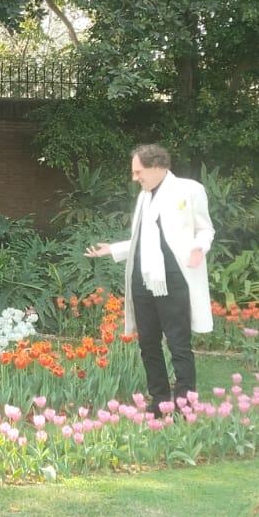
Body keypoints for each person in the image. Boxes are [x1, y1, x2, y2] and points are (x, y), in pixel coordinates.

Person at [85, 143, 214, 413]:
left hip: (174, 278)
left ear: (156, 167)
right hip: (142, 278)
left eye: (138, 172)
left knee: (178, 344)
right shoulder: (145, 196)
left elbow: (205, 229)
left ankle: (184, 404)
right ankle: (159, 401)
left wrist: (199, 248)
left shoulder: (189, 190)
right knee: (148, 343)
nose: (135, 178)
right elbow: (143, 239)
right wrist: (113, 249)